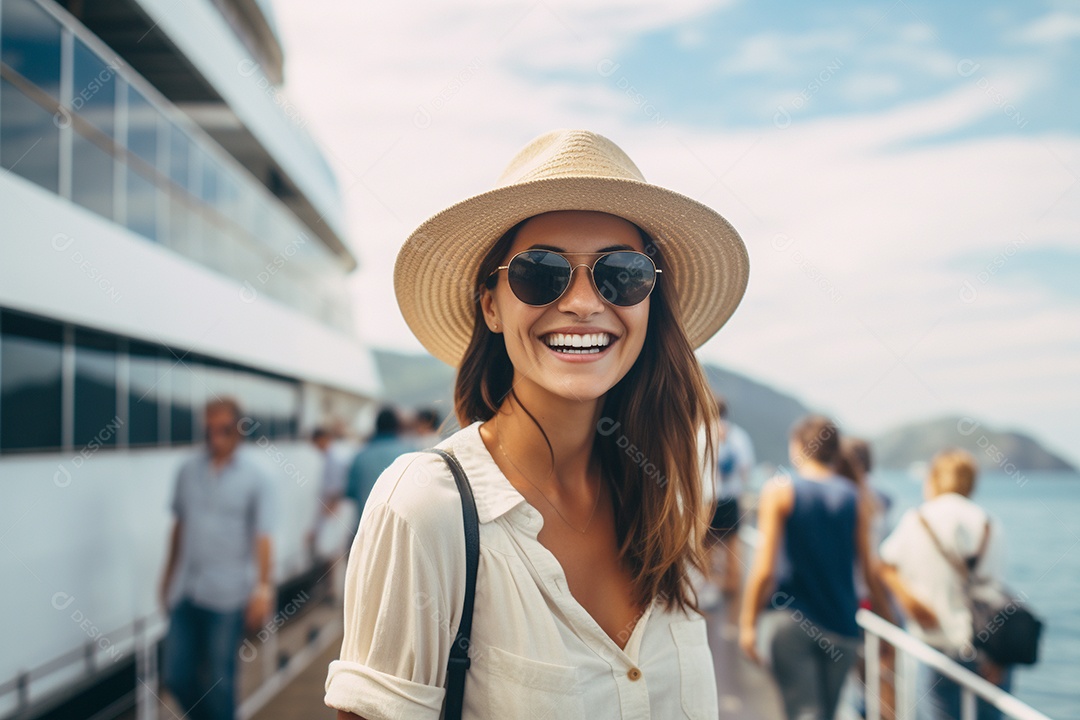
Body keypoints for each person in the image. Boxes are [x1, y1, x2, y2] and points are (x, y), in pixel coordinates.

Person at [323, 128, 750, 719]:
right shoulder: (428, 507)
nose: (580, 302)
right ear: (492, 305)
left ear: (651, 301)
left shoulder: (661, 501)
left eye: (622, 273)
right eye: (541, 272)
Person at [739, 415, 884, 720]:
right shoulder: (856, 497)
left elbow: (764, 569)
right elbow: (870, 571)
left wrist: (748, 622)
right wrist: (889, 619)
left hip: (792, 622)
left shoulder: (780, 491)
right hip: (844, 625)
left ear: (798, 447)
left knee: (803, 713)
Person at [159, 397, 276, 720]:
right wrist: (166, 578)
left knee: (219, 682)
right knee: (176, 676)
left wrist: (263, 590)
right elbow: (179, 526)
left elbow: (263, 537)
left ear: (238, 430)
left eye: (223, 430)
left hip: (227, 595)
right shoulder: (187, 470)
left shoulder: (257, 476)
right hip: (186, 589)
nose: (215, 438)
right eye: (209, 430)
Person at [878, 449, 1011, 720]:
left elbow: (883, 564)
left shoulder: (917, 520)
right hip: (990, 649)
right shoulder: (989, 523)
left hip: (938, 646)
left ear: (934, 478)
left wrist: (912, 603)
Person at [702, 394, 755, 624]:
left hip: (708, 499)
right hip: (731, 499)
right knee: (733, 546)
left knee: (706, 547)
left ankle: (708, 590)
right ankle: (733, 596)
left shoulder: (701, 433)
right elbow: (746, 469)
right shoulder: (739, 436)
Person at [344, 406, 415, 525]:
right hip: (401, 529)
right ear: (397, 427)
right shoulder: (411, 453)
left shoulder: (360, 456)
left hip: (367, 528)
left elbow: (350, 493)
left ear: (376, 426)